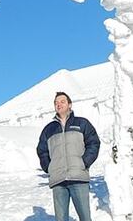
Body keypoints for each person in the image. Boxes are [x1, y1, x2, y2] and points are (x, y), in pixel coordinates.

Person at [36, 92, 100, 221]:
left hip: (78, 177)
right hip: (58, 180)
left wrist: (84, 162)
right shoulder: (48, 129)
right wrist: (50, 168)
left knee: (85, 218)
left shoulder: (82, 123)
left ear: (69, 105)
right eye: (56, 103)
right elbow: (42, 150)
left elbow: (93, 143)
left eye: (62, 101)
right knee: (61, 219)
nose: (58, 104)